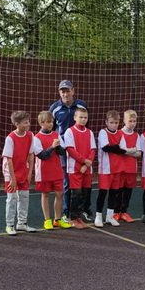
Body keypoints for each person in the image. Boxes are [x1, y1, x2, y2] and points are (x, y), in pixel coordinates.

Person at [49, 80, 88, 215]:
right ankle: (67, 212)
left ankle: (80, 210)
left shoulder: (81, 105)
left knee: (81, 179)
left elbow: (86, 125)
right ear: (59, 93)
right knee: (66, 181)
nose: (65, 94)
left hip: (80, 148)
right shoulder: (54, 108)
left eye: (67, 91)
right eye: (63, 91)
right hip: (64, 150)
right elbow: (52, 130)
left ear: (73, 91)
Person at [33, 111, 71, 230]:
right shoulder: (36, 138)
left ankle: (57, 219)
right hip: (44, 172)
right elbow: (42, 155)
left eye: (52, 122)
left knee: (60, 194)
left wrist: (58, 147)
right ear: (41, 123)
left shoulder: (56, 134)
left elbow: (62, 152)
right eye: (48, 122)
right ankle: (47, 220)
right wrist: (52, 147)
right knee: (45, 194)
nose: (50, 124)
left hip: (57, 170)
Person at [2, 111, 37, 235]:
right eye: (25, 123)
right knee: (11, 199)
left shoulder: (30, 135)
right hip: (10, 172)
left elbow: (31, 155)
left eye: (28, 122)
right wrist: (13, 178)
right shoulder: (10, 138)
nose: (28, 124)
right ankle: (9, 225)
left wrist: (29, 173)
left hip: (23, 170)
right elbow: (9, 160)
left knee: (24, 197)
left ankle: (22, 223)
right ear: (17, 124)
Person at [63, 108, 96, 229]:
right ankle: (73, 218)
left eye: (85, 117)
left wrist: (87, 164)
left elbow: (92, 150)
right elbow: (70, 150)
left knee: (84, 194)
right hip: (75, 168)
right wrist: (84, 161)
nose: (83, 119)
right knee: (76, 194)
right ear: (75, 118)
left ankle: (79, 217)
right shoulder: (69, 131)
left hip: (86, 168)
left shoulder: (90, 132)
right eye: (81, 117)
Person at [96, 110, 124, 227]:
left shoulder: (120, 133)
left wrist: (116, 148)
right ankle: (98, 216)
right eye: (111, 122)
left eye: (116, 123)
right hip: (105, 168)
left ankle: (110, 216)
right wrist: (116, 148)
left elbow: (123, 149)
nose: (114, 125)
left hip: (117, 168)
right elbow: (105, 148)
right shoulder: (103, 132)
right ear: (106, 122)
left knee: (114, 193)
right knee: (103, 193)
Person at [117, 110, 143, 223]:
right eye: (130, 121)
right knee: (118, 190)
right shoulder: (119, 133)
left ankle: (124, 211)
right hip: (120, 167)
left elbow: (139, 153)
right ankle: (116, 212)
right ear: (124, 121)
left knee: (128, 191)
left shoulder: (137, 135)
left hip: (132, 168)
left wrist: (127, 151)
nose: (132, 123)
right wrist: (132, 150)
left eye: (134, 121)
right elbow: (119, 151)